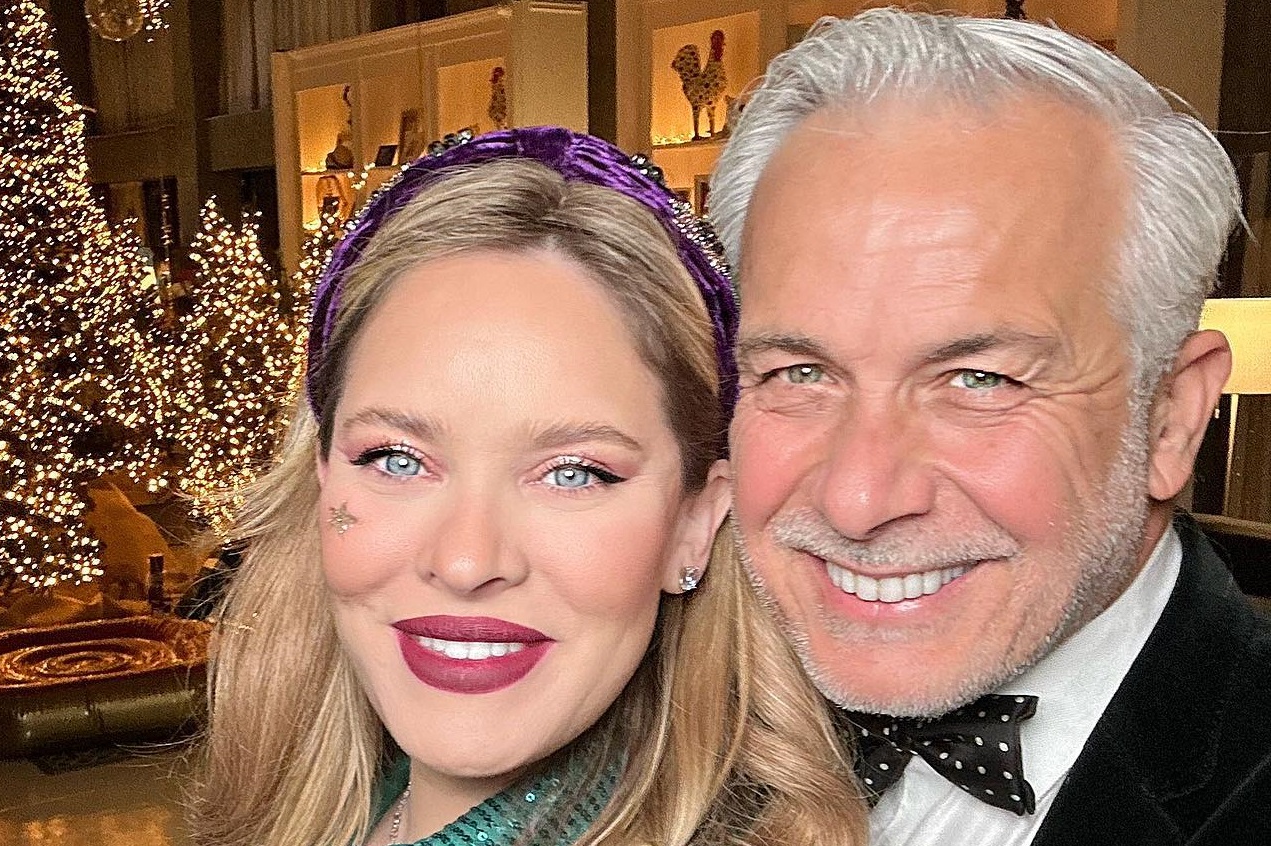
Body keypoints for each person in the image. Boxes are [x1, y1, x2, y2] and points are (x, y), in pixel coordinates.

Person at [188, 127, 867, 846]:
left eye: (573, 473)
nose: (465, 562)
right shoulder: (298, 809)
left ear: (693, 524)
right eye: (396, 459)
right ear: (322, 477)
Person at [709, 9, 1271, 846]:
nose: (857, 501)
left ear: (1170, 418)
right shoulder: (649, 715)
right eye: (799, 373)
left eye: (979, 380)